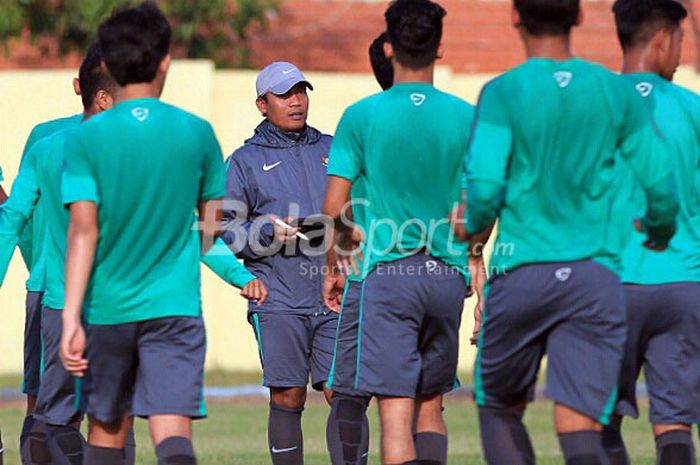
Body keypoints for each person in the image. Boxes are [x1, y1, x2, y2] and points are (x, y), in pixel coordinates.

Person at [463, 0, 679, 464]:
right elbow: (660, 182)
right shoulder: (610, 90)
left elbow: (483, 190)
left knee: (500, 406)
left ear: (516, 17)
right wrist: (659, 229)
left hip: (522, 272)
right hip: (593, 278)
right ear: (579, 17)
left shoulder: (502, 92)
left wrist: (471, 225)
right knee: (580, 420)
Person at [58, 3, 264, 465]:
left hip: (106, 309)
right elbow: (211, 228)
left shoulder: (86, 138)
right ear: (165, 61)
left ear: (106, 65)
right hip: (175, 309)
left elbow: (82, 232)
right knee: (173, 433)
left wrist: (71, 318)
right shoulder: (196, 132)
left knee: (107, 432)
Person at [323, 1, 473, 463]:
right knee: (431, 405)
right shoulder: (469, 117)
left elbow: (333, 208)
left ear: (388, 47)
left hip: (389, 277)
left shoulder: (362, 115)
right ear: (440, 48)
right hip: (447, 277)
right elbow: (479, 209)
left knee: (394, 416)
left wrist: (339, 253)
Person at [221, 61, 337, 465]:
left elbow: (361, 210)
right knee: (288, 393)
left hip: (335, 293)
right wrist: (267, 231)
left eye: (301, 92)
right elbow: (225, 230)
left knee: (344, 391)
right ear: (262, 104)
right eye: (285, 94)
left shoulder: (333, 149)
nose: (297, 102)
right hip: (279, 297)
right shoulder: (244, 161)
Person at [602, 2, 700, 464]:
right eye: (681, 41)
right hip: (682, 283)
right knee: (675, 420)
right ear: (661, 39)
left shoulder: (593, 106)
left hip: (608, 284)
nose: (682, 53)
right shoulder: (692, 109)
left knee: (599, 418)